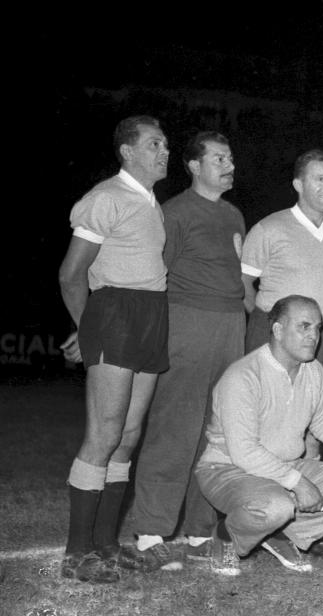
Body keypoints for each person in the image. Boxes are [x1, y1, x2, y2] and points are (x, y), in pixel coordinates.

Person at [58, 115, 171, 583]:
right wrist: (90, 333)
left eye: (166, 144)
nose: (164, 151)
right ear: (127, 151)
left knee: (128, 435)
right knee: (103, 435)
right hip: (115, 314)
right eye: (154, 144)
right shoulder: (105, 197)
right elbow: (70, 274)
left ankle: (106, 543)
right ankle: (76, 552)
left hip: (150, 315)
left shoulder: (149, 202)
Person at [127, 131, 247, 571]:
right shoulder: (173, 212)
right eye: (219, 157)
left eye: (230, 156)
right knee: (174, 427)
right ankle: (152, 532)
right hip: (187, 322)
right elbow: (155, 276)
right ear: (194, 166)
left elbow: (241, 284)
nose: (228, 163)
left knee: (216, 433)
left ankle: (200, 531)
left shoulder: (234, 215)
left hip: (230, 325)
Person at [194, 295, 323, 575]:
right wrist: (297, 483)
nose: (314, 336)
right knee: (275, 506)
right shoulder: (243, 376)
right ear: (278, 331)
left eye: (317, 328)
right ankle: (227, 535)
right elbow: (244, 452)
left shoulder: (313, 370)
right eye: (304, 326)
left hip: (285, 465)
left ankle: (281, 535)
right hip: (228, 468)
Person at [241, 149, 323, 390]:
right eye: (320, 179)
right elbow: (242, 283)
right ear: (298, 184)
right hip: (274, 336)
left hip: (322, 336)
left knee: (315, 413)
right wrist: (268, 324)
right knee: (267, 409)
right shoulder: (268, 228)